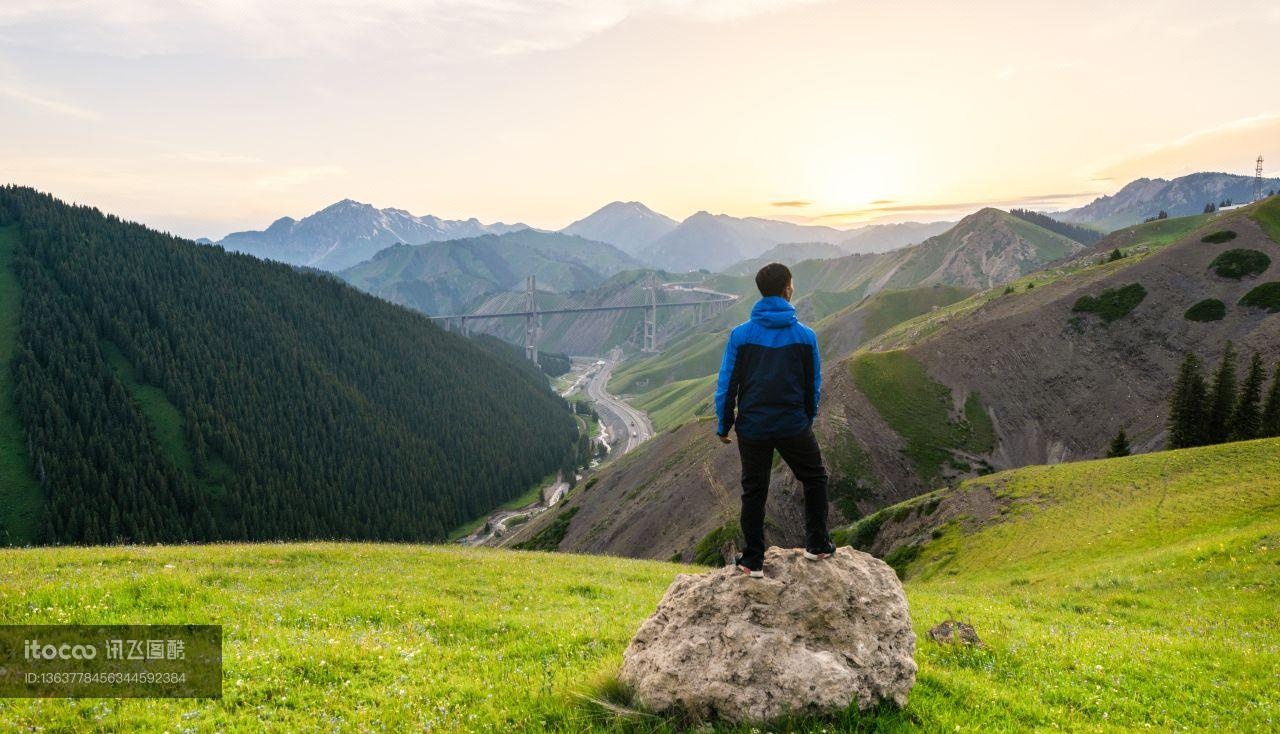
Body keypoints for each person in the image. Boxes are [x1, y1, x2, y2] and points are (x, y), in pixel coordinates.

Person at [714, 262, 834, 578]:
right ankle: (817, 545)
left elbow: (728, 382)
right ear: (788, 289)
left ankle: (752, 560)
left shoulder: (740, 335)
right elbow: (813, 385)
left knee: (754, 490)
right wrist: (806, 418)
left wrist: (724, 424)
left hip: (753, 426)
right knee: (815, 478)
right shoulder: (805, 336)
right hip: (793, 424)